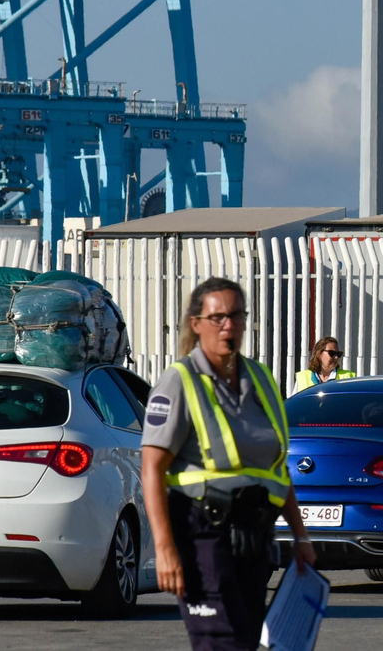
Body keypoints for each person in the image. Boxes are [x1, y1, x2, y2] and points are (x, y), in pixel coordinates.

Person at [141, 277, 316, 651]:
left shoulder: (262, 379)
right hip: (202, 532)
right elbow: (152, 467)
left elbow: (277, 468)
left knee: (248, 641)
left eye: (236, 316)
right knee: (221, 642)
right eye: (218, 317)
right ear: (196, 323)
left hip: (254, 534)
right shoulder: (180, 381)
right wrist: (164, 548)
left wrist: (300, 535)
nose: (228, 326)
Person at [292, 336, 356, 393]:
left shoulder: (348, 377)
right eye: (332, 353)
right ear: (319, 354)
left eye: (338, 354)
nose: (336, 357)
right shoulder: (303, 377)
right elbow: (293, 404)